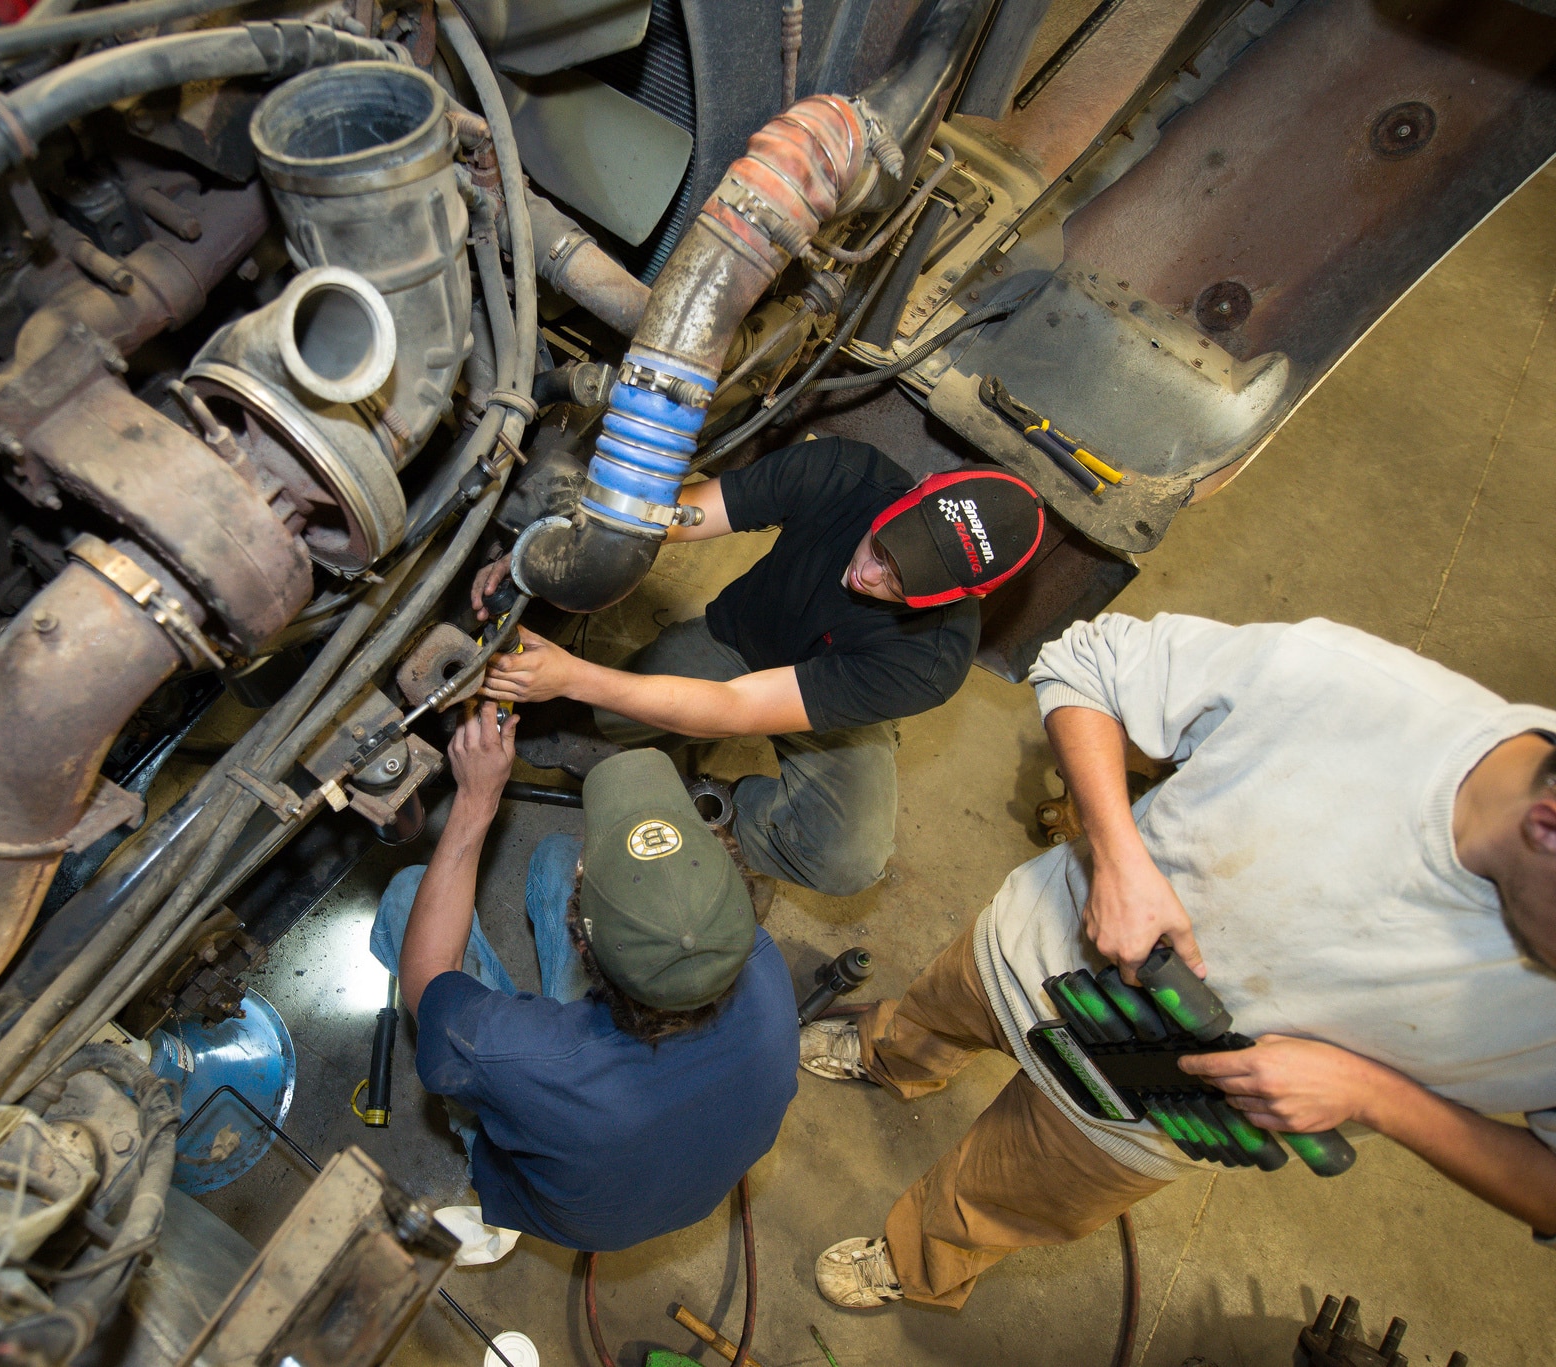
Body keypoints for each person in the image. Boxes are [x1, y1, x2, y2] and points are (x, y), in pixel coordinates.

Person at [797, 612, 1556, 1310]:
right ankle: (890, 1054)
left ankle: (916, 1257)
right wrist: (1119, 856)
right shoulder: (1348, 689)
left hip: (1151, 1118)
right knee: (938, 1011)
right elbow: (1085, 663)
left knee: (992, 1201)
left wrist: (1380, 1097)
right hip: (1036, 950)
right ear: (1547, 824)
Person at [475, 437, 1045, 896]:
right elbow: (677, 517)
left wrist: (571, 673)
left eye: (903, 582)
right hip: (740, 641)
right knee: (612, 717)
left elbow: (738, 709)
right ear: (914, 491)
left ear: (957, 598)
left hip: (837, 703)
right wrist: (544, 551)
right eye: (883, 546)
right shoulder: (845, 471)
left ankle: (714, 808)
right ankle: (631, 730)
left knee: (844, 859)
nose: (871, 576)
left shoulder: (930, 662)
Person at [372, 701, 797, 1251]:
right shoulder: (764, 967)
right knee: (555, 859)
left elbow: (428, 976)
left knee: (411, 893)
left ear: (581, 944)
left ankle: (498, 1171)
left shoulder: (519, 1058)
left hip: (568, 1210)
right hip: (668, 1187)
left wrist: (477, 800)